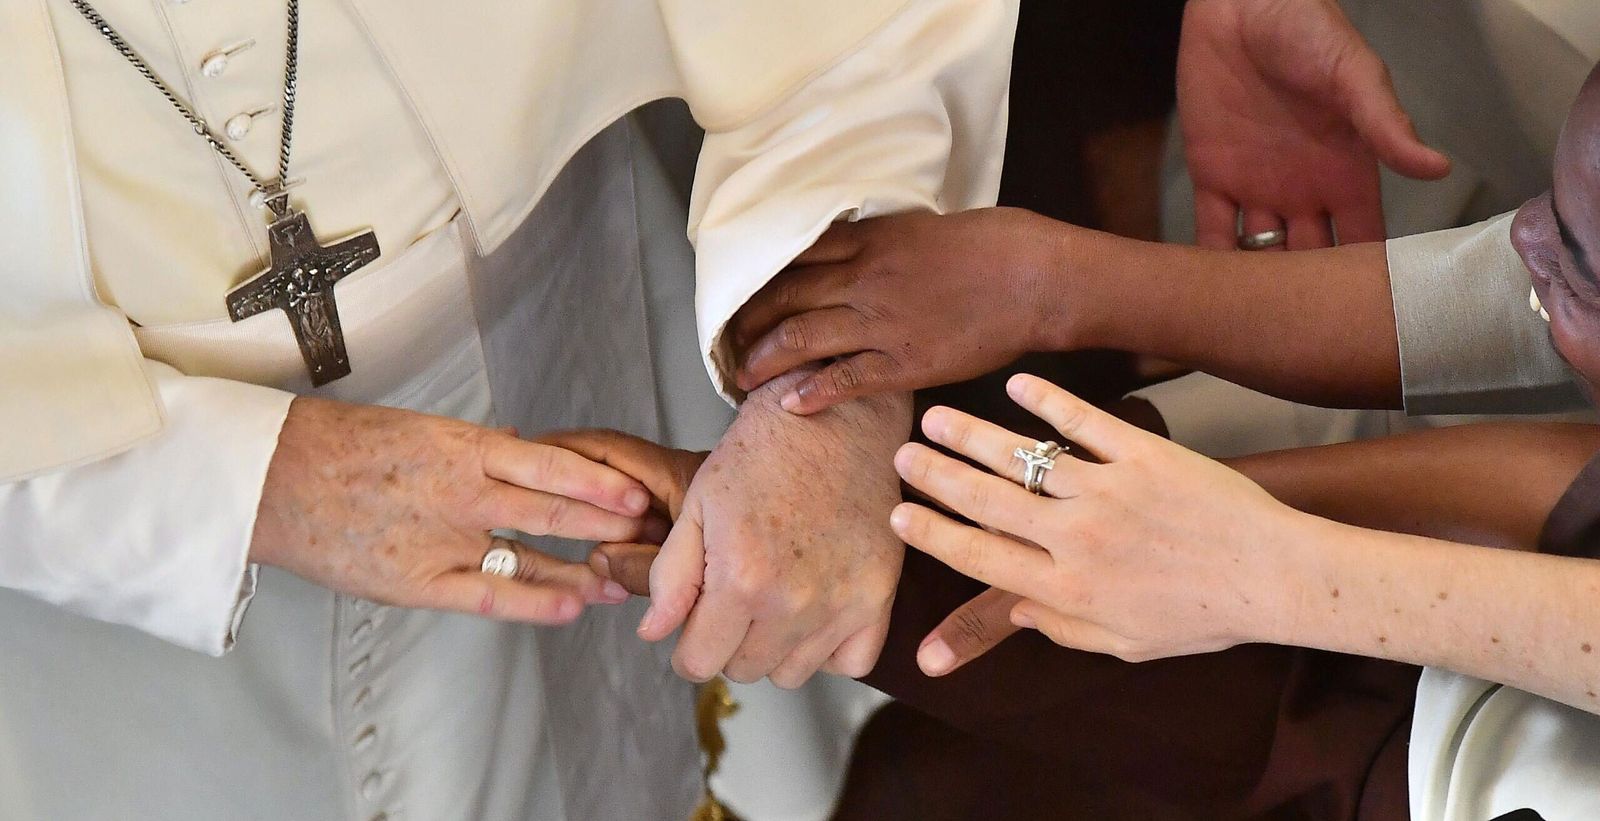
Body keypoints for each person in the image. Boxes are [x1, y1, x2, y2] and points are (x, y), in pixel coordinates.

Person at [0, 1, 1015, 817]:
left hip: (566, 357)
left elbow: (844, 44)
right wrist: (225, 488)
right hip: (80, 570)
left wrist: (832, 381)